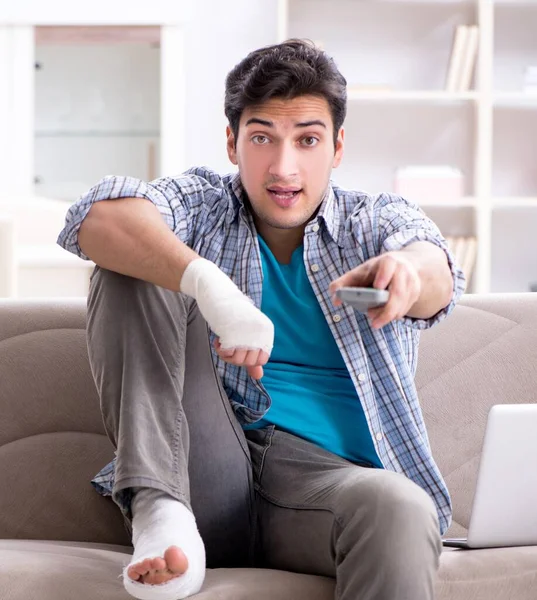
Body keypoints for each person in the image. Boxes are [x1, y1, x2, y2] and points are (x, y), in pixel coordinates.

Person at [58, 39, 465, 600]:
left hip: (328, 487)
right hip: (207, 468)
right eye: (261, 138)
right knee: (128, 260)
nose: (283, 167)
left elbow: (435, 267)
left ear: (338, 146)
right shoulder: (201, 205)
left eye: (307, 140)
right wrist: (207, 283)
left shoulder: (374, 221)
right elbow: (94, 217)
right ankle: (160, 515)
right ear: (232, 142)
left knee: (400, 507)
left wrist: (409, 275)